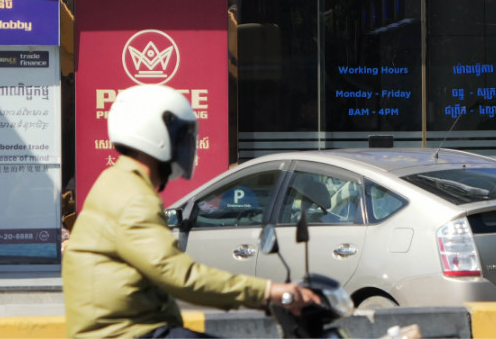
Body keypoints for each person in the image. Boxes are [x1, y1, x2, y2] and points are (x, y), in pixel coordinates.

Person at [63, 85, 318, 338]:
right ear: (155, 135)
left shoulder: (117, 182)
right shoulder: (132, 196)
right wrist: (267, 291)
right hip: (126, 333)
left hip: (129, 326)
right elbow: (179, 275)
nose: (187, 146)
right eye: (181, 136)